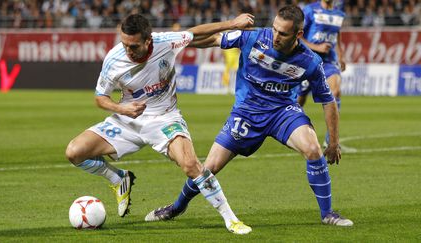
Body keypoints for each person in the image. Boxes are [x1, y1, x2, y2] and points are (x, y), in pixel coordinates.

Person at [145, 5, 353, 227]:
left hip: (282, 112)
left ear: (298, 34)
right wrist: (178, 42)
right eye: (274, 29)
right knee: (210, 167)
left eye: (283, 33)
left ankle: (327, 213)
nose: (275, 36)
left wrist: (334, 142)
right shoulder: (253, 37)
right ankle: (176, 207)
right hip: (246, 113)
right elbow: (215, 40)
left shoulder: (310, 61)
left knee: (313, 149)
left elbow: (328, 101)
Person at [65, 13, 255, 234]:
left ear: (148, 41)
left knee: (191, 165)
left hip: (165, 117)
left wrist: (232, 23)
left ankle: (231, 219)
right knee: (74, 152)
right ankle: (118, 178)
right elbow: (100, 97)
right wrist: (122, 108)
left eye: (134, 46)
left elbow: (195, 33)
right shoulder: (113, 59)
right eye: (124, 44)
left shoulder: (165, 42)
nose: (128, 50)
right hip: (127, 121)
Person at [297, 0, 346, 148]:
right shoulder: (309, 10)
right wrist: (316, 47)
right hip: (308, 60)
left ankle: (330, 140)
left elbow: (337, 35)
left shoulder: (339, 13)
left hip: (329, 62)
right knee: (299, 100)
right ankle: (292, 129)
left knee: (335, 92)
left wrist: (341, 55)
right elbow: (298, 36)